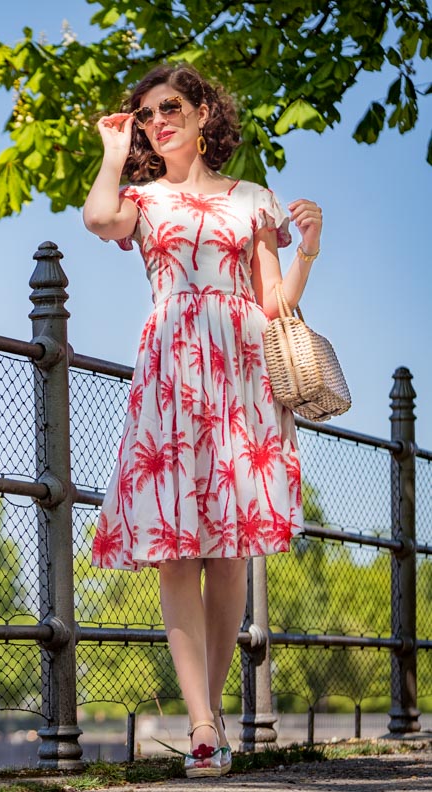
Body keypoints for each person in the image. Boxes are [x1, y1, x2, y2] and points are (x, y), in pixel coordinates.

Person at [82, 63, 322, 778]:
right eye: (149, 112)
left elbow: (273, 299)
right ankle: (203, 725)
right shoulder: (142, 199)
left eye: (173, 106)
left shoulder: (253, 199)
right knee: (175, 550)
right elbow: (98, 221)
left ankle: (209, 719)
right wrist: (112, 151)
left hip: (242, 375)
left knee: (227, 551)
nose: (161, 119)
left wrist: (307, 247)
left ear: (203, 112)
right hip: (171, 375)